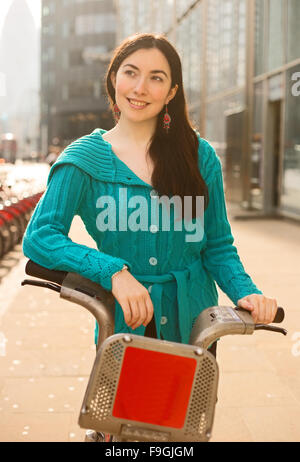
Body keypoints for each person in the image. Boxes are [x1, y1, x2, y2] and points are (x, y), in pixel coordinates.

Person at [23, 32, 278, 364]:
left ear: (172, 91)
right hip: (125, 323)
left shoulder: (200, 157)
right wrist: (113, 272)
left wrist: (247, 292)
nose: (140, 87)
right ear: (114, 78)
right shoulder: (82, 159)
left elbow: (217, 246)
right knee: (124, 416)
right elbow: (41, 237)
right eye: (131, 72)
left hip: (195, 324)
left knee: (189, 414)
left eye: (156, 78)